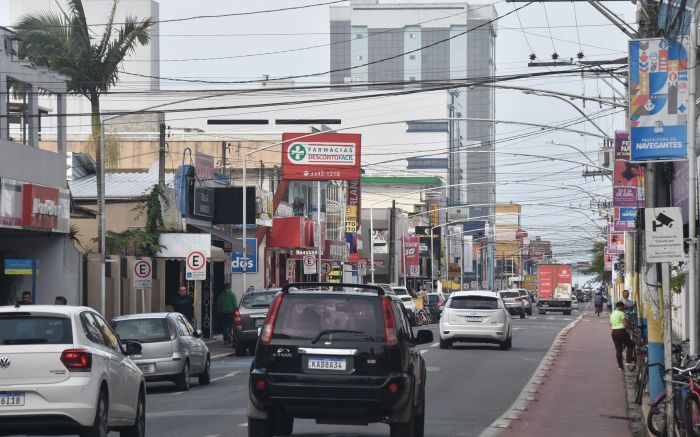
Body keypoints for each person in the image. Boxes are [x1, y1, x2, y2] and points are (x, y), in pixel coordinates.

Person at [610, 301, 635, 371]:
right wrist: (631, 329)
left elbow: (612, 322)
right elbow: (625, 324)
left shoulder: (613, 313)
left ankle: (620, 367)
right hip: (621, 332)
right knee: (630, 345)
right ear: (620, 307)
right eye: (622, 307)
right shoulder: (621, 313)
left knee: (618, 350)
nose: (623, 308)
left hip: (613, 332)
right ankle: (628, 361)